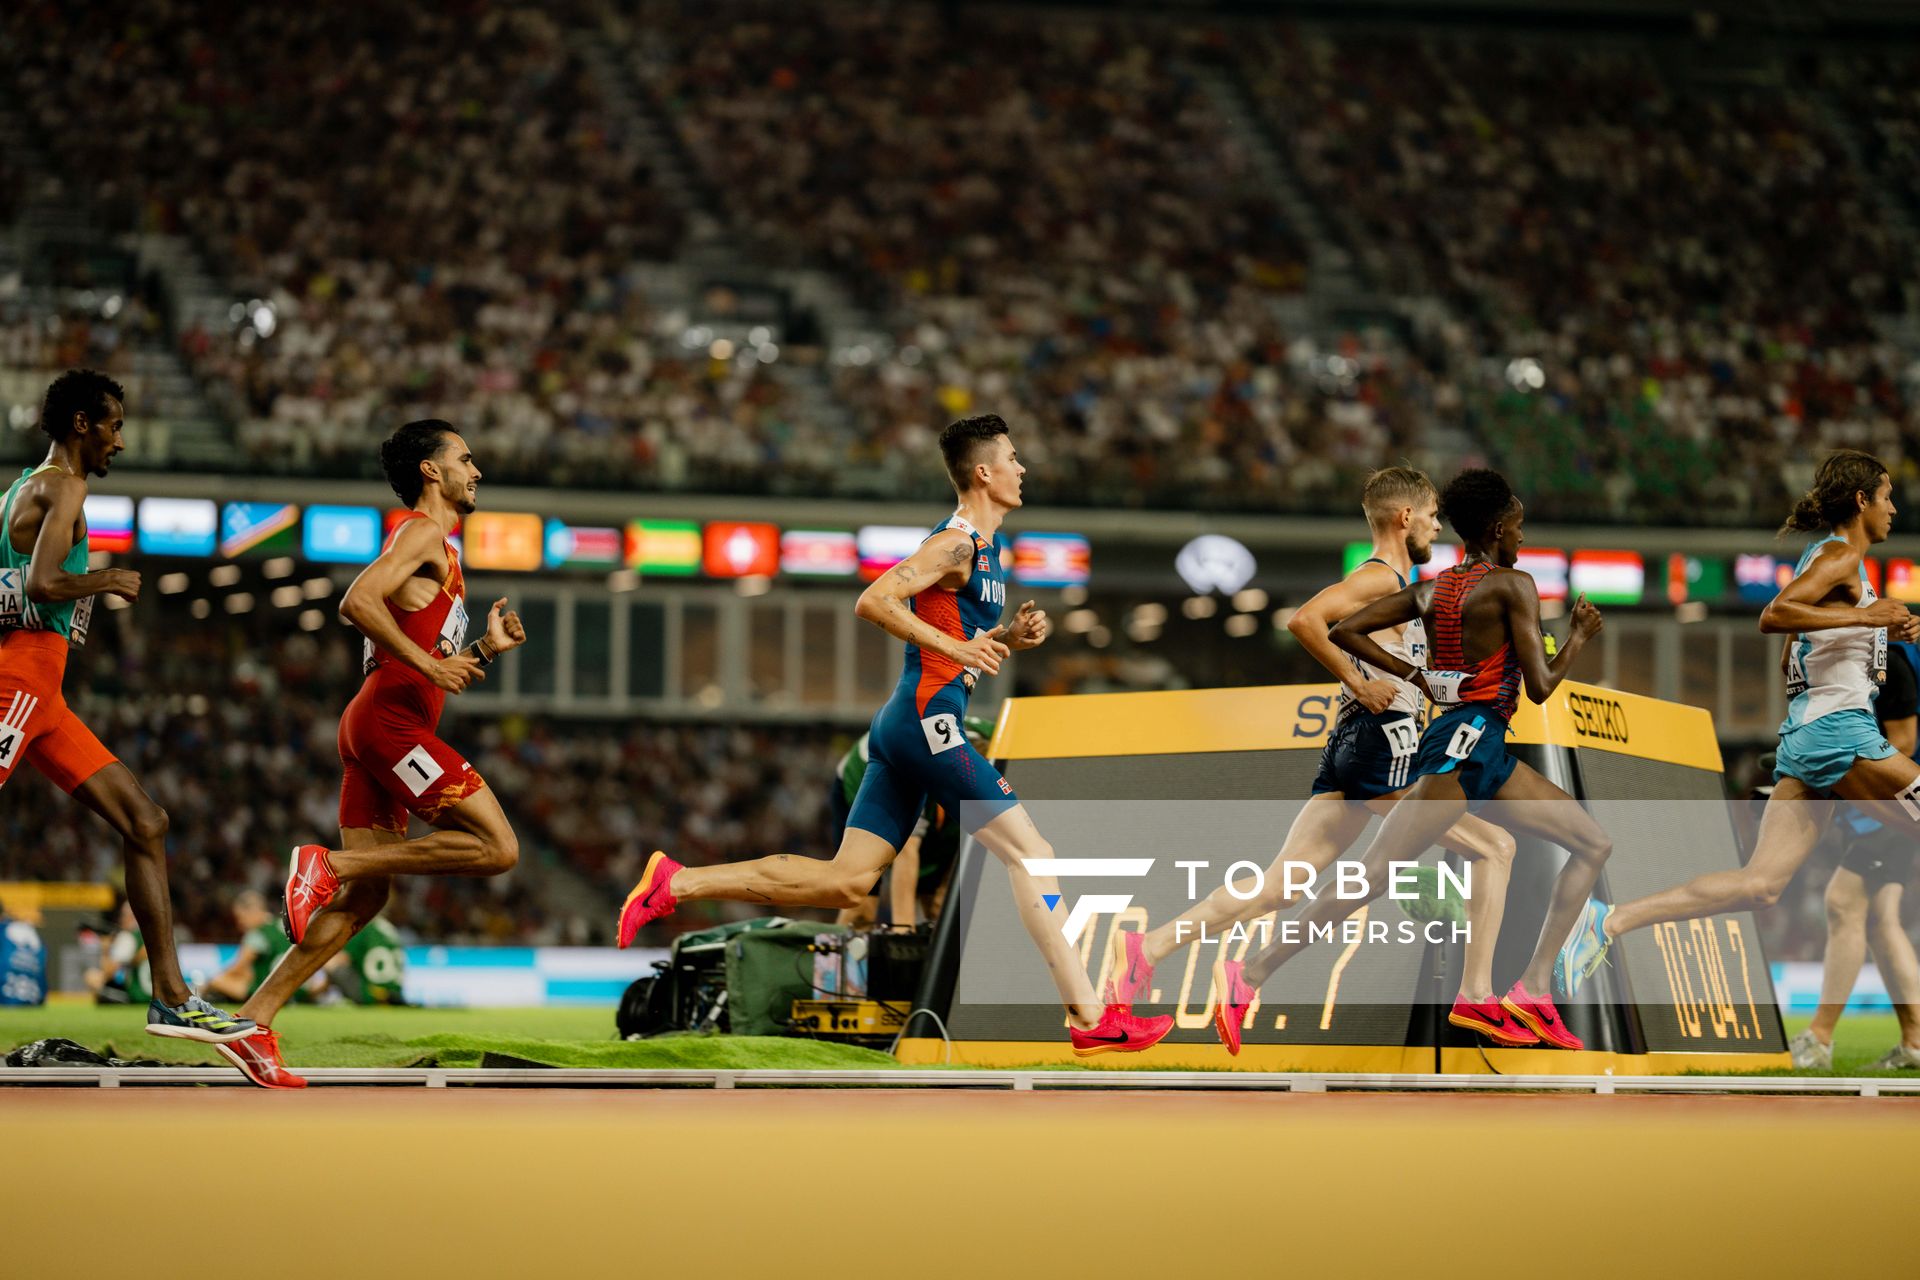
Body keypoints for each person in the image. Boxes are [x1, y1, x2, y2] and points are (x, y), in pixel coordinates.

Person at [616, 414, 1175, 1055]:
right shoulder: (956, 545)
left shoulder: (986, 553)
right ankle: (1088, 1015)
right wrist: (958, 651)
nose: (1023, 469)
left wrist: (1001, 641)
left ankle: (676, 882)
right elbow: (876, 600)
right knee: (1033, 854)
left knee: (848, 884)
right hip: (924, 722)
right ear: (984, 473)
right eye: (1013, 458)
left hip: (912, 723)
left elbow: (952, 642)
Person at [1107, 467, 1528, 1052]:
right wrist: (1359, 681)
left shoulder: (1396, 582)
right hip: (1381, 742)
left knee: (1281, 887)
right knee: (1495, 847)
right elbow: (1304, 619)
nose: (1438, 524)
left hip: (1355, 747)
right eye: (1431, 513)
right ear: (1405, 517)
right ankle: (1478, 997)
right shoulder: (1380, 577)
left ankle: (1149, 951)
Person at [1221, 469, 1611, 1049]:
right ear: (1500, 527)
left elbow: (1350, 630)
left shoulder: (1434, 590)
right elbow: (1541, 686)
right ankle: (1251, 973)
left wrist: (1419, 677)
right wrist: (1579, 636)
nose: (1523, 539)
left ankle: (1528, 991)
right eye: (1521, 527)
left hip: (1481, 743)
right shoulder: (1514, 585)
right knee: (1375, 872)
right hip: (1462, 746)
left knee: (1592, 843)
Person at [218, 419, 528, 1087]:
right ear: (431, 471)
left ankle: (254, 1019)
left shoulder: (440, 551)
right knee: (499, 849)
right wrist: (431, 662)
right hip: (389, 725)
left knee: (366, 898)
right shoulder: (421, 533)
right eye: (465, 459)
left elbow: (423, 661)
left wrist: (479, 652)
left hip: (378, 722)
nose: (477, 471)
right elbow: (356, 601)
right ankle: (323, 863)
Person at [1561, 451, 1920, 997]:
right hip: (1839, 732)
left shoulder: (1826, 560)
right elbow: (1774, 616)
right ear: (1861, 500)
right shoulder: (1840, 555)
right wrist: (1868, 618)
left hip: (1810, 736)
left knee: (1760, 886)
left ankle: (1607, 921)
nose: (1896, 508)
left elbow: (1793, 650)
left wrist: (1873, 636)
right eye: (1888, 496)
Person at [0, 369, 253, 1043]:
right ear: (81, 424)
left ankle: (171, 996)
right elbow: (47, 581)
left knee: (146, 821)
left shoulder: (20, 490)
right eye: (113, 426)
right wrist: (107, 577)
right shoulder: (65, 485)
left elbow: (14, 588)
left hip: (43, 694)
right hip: (19, 683)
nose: (119, 441)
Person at [1791, 639, 1920, 1071]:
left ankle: (1819, 1038)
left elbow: (1902, 742)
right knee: (1882, 919)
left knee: (1843, 903)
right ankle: (1915, 1041)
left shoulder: (1890, 660)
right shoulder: (1841, 658)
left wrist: (1838, 772)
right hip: (1878, 807)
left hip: (1893, 806)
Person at [829, 716, 992, 929]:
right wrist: (903, 931)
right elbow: (906, 853)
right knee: (861, 901)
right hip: (866, 785)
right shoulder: (913, 774)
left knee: (938, 906)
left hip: (942, 780)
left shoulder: (1002, 742)